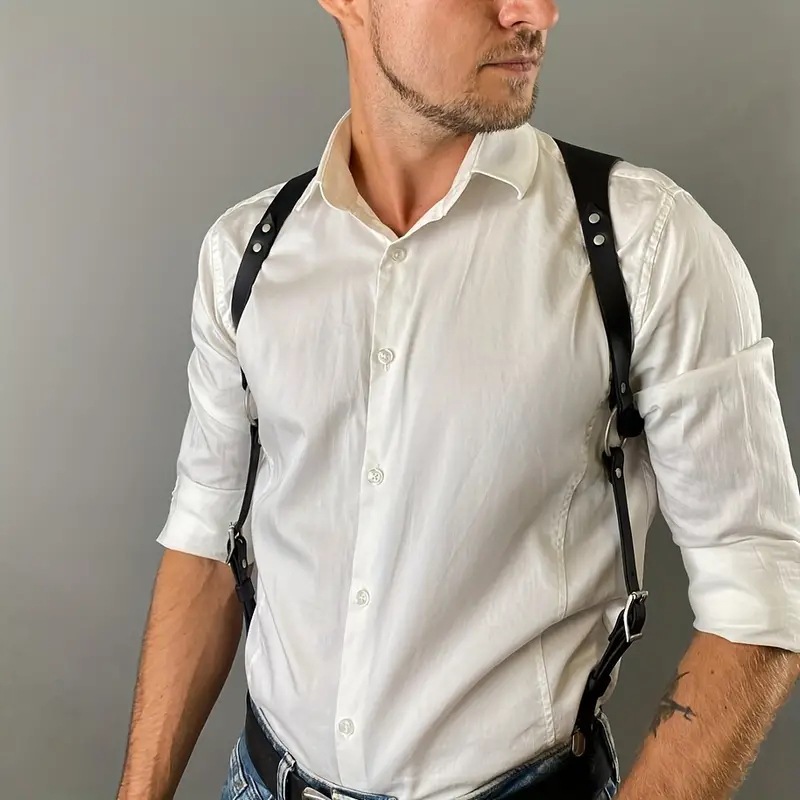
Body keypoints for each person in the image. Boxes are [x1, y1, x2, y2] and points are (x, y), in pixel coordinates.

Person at [117, 2, 800, 799]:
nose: (537, 11)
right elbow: (206, 543)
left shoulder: (645, 246)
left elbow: (761, 596)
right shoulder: (247, 254)